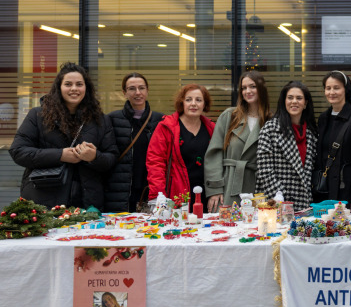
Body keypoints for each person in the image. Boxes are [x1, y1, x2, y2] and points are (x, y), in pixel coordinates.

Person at [10, 62, 118, 211]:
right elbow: (18, 151)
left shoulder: (100, 120)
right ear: (59, 88)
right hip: (44, 201)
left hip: (87, 204)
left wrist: (94, 157)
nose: (74, 88)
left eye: (79, 84)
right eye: (68, 84)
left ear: (86, 88)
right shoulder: (37, 115)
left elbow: (111, 158)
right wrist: (60, 155)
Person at [205, 71, 271, 212]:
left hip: (258, 189)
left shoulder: (270, 121)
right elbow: (214, 154)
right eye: (244, 88)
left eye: (252, 86)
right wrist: (215, 189)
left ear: (261, 89)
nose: (248, 91)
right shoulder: (229, 116)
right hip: (229, 186)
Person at [146, 84, 215, 208]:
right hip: (175, 196)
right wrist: (158, 196)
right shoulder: (166, 127)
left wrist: (216, 191)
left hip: (206, 196)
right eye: (188, 100)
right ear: (182, 103)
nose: (193, 104)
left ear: (204, 104)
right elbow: (155, 163)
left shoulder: (212, 129)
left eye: (198, 100)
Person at [255, 82, 318, 211]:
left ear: (305, 103)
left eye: (299, 98)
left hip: (303, 203)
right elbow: (264, 170)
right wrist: (280, 199)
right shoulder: (270, 129)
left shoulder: (311, 133)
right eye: (290, 97)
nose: (294, 101)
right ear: (284, 101)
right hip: (275, 201)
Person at [107, 73, 164, 212]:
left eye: (141, 88)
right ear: (124, 93)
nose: (137, 92)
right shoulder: (112, 119)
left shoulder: (161, 120)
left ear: (147, 91)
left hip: (150, 186)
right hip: (121, 188)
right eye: (132, 89)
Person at [316, 71, 351, 212]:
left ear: (346, 89)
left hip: (347, 189)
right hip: (325, 190)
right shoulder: (323, 118)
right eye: (328, 88)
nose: (332, 92)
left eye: (336, 87)